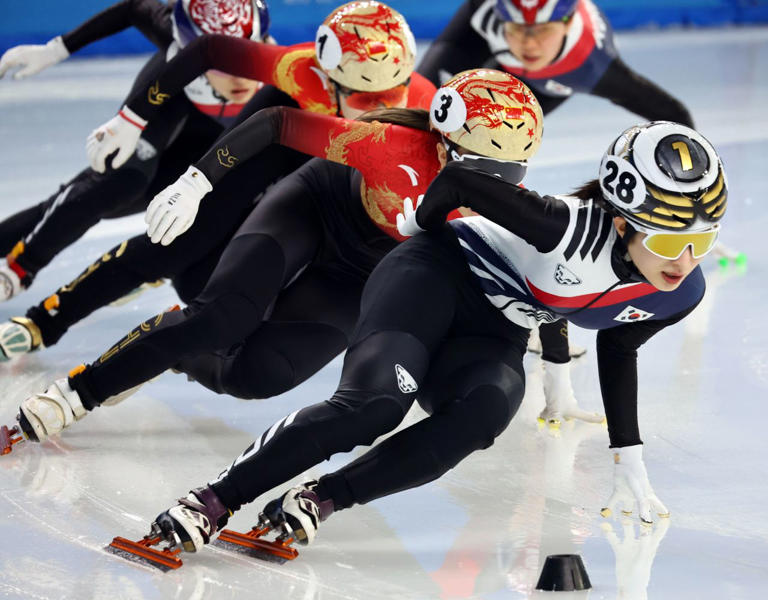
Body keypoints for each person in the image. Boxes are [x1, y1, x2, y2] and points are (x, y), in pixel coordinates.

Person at [134, 120, 724, 555]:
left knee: (480, 419)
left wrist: (628, 462)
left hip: (494, 328)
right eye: (671, 242)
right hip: (434, 275)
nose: (686, 261)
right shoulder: (561, 226)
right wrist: (420, 224)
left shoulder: (679, 292)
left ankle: (323, 496)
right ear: (621, 223)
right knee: (373, 407)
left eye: (703, 241)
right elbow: (462, 178)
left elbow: (619, 347)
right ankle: (214, 499)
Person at [12, 69, 543, 449]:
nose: (491, 184)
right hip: (315, 207)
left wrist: (554, 368)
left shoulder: (507, 207)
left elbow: (545, 282)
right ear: (444, 144)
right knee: (222, 318)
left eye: (510, 171)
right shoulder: (388, 144)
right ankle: (79, 390)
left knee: (258, 375)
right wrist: (196, 183)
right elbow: (276, 122)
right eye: (479, 165)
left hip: (367, 270)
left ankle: (173, 350)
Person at [0, 1, 434, 362]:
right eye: (363, 97)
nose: (381, 109)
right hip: (283, 132)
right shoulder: (297, 70)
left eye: (395, 91)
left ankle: (178, 339)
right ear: (329, 77)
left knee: (228, 279)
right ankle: (45, 320)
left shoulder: (424, 105)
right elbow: (207, 49)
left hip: (342, 167)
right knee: (177, 242)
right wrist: (137, 122)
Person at [417, 0, 698, 425]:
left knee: (493, 160)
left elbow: (674, 116)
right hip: (493, 51)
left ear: (568, 22)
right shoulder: (485, 14)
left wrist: (683, 215)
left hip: (553, 77)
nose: (528, 42)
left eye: (542, 29)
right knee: (428, 121)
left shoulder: (589, 63)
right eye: (517, 28)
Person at [0, 0, 273, 302]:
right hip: (166, 106)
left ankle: (157, 261)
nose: (238, 76)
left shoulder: (283, 69)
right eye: (221, 63)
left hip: (211, 134)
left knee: (217, 196)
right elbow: (134, 8)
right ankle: (20, 268)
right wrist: (56, 49)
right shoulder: (172, 34)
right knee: (115, 185)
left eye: (246, 56)